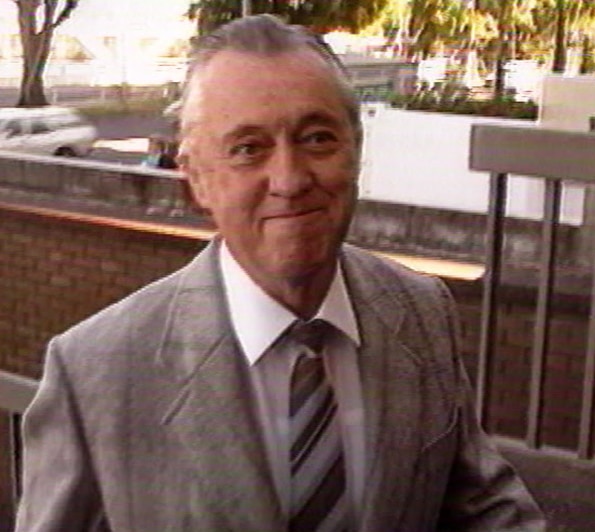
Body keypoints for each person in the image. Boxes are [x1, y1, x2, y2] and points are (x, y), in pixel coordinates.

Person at [15, 14, 545, 532]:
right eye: (249, 149)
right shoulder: (96, 372)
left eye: (317, 139)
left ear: (356, 151)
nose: (290, 180)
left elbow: (481, 505)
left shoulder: (422, 310)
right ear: (196, 179)